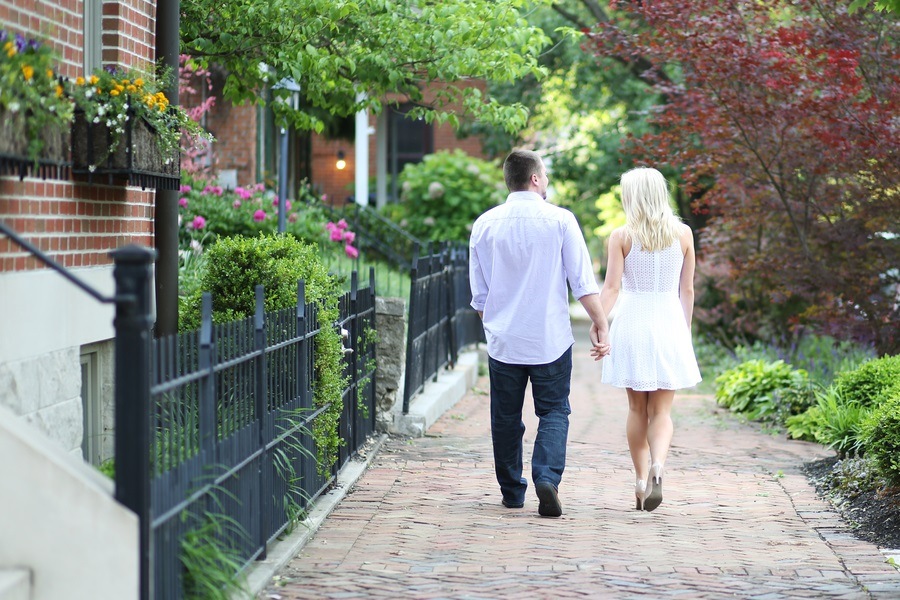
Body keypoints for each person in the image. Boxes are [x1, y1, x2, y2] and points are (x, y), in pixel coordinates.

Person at [469, 149, 610, 518]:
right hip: (549, 338)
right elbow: (581, 282)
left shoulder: (484, 224)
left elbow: (480, 296)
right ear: (534, 178)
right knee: (553, 411)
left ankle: (512, 492)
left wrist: (495, 327)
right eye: (544, 176)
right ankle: (546, 477)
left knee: (504, 416)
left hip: (504, 341)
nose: (546, 182)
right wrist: (601, 322)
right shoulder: (560, 220)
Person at [591, 166, 701, 512]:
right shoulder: (683, 234)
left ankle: (640, 481)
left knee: (637, 408)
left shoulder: (621, 236)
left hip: (633, 323)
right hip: (669, 323)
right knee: (663, 411)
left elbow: (610, 289)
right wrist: (683, 333)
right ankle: (658, 467)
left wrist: (599, 324)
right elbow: (687, 289)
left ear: (632, 198)